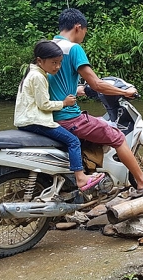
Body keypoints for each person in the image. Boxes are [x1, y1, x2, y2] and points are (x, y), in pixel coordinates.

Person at [48, 8, 143, 195]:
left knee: (97, 124)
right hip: (68, 117)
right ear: (78, 27)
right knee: (117, 137)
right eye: (85, 31)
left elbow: (57, 84)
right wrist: (124, 92)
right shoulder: (74, 49)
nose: (84, 35)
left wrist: (82, 91)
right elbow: (96, 83)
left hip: (49, 116)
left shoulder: (48, 48)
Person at [14, 40, 105, 191]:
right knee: (73, 141)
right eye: (54, 62)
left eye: (60, 62)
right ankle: (81, 178)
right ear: (40, 61)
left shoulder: (33, 73)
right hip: (35, 121)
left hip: (26, 120)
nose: (57, 67)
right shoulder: (38, 77)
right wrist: (64, 103)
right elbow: (44, 104)